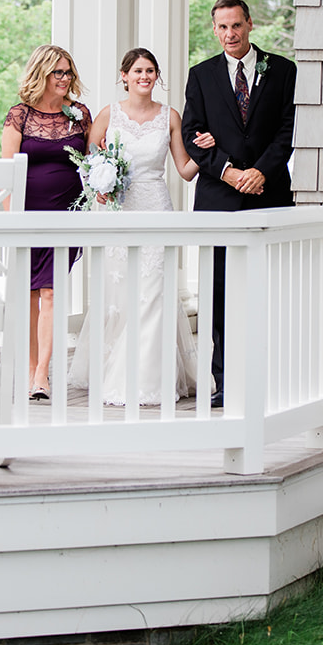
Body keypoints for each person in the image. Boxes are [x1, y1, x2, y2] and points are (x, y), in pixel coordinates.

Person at [69, 48, 204, 406]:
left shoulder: (170, 117)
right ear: (124, 75)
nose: (145, 77)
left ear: (157, 77)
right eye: (138, 71)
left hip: (156, 207)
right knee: (121, 295)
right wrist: (98, 187)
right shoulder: (108, 115)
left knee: (155, 292)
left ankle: (146, 378)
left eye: (150, 71)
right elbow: (87, 165)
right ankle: (112, 366)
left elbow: (185, 169)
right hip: (117, 211)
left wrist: (208, 148)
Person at [181, 0, 297, 409]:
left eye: (236, 26)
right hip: (219, 199)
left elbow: (286, 131)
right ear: (214, 30)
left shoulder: (282, 70)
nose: (229, 34)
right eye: (222, 28)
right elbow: (193, 135)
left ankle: (274, 377)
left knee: (271, 291)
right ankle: (226, 383)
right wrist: (229, 172)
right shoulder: (201, 76)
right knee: (220, 295)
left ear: (250, 24)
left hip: (270, 195)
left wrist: (260, 171)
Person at [1, 44, 90, 401]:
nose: (65, 78)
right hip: (27, 212)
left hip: (67, 212)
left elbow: (94, 159)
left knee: (52, 291)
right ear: (41, 73)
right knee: (30, 293)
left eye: (68, 71)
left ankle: (42, 376)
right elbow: (8, 172)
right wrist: (12, 219)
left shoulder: (79, 114)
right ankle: (29, 369)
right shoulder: (19, 116)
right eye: (58, 72)